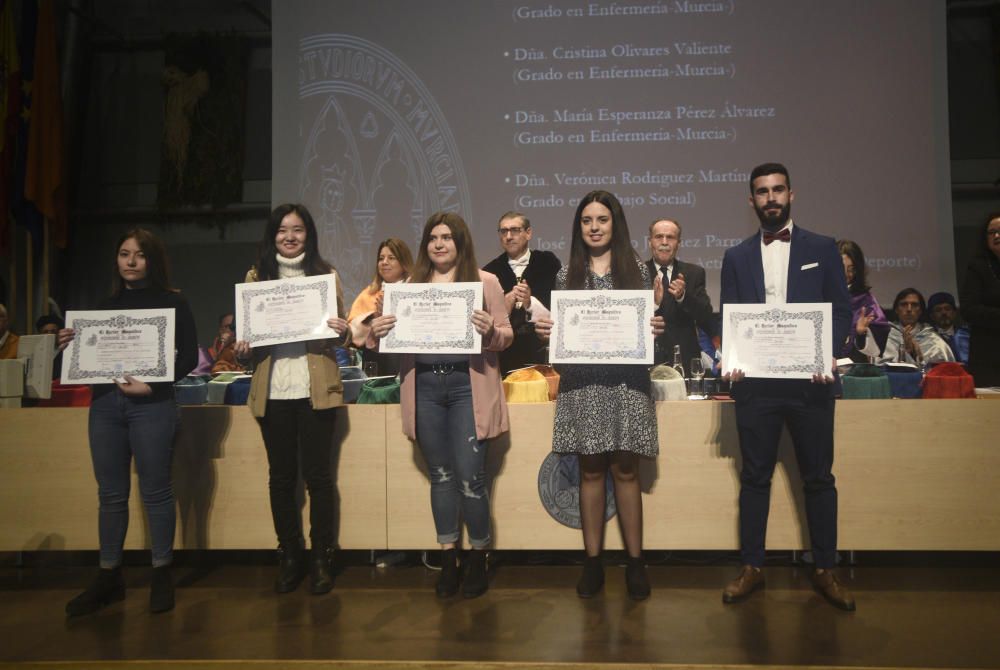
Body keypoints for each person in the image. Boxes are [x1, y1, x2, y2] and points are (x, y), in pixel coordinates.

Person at [719, 163, 856, 611]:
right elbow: (732, 318)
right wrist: (733, 359)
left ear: (791, 195)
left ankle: (826, 568)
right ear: (751, 200)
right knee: (754, 477)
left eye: (778, 190)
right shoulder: (736, 256)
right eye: (762, 192)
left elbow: (840, 310)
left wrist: (827, 354)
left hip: (811, 386)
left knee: (819, 478)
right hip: (756, 387)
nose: (770, 198)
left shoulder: (822, 247)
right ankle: (752, 567)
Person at [370, 212, 512, 599]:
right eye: (433, 237)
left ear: (460, 242)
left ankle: (480, 556)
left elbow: (506, 335)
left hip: (468, 386)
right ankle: (449, 557)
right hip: (426, 387)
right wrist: (377, 330)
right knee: (441, 476)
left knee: (471, 478)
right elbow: (378, 337)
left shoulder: (486, 282)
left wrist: (490, 331)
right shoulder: (409, 286)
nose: (439, 244)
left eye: (447, 237)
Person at [534, 190, 665, 601]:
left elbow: (646, 334)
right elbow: (562, 336)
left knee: (626, 471)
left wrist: (654, 331)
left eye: (602, 219)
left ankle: (635, 563)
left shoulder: (639, 272)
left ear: (615, 224)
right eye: (587, 220)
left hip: (627, 384)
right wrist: (548, 335)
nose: (594, 227)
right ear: (579, 227)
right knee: (590, 471)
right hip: (583, 383)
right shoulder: (564, 276)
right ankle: (593, 563)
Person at [60, 228, 198, 616]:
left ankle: (161, 573)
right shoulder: (102, 307)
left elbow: (188, 356)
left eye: (139, 255)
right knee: (110, 494)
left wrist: (153, 385)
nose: (131, 261)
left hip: (152, 405)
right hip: (104, 405)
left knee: (155, 491)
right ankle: (109, 576)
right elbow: (86, 362)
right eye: (124, 254)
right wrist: (69, 347)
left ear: (152, 260)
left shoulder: (173, 302)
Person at [233, 204, 351, 596]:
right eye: (283, 230)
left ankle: (321, 557)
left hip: (316, 390)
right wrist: (243, 348)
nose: (290, 237)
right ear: (273, 235)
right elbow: (244, 351)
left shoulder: (325, 276)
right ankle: (290, 554)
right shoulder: (256, 278)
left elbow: (342, 334)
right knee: (281, 478)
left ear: (308, 235)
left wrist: (342, 329)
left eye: (298, 230)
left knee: (318, 478)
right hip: (274, 391)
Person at [482, 211, 561, 374]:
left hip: (540, 352)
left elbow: (560, 310)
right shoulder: (490, 272)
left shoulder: (547, 263)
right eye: (504, 231)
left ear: (528, 233)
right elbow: (487, 322)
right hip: (504, 356)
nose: (509, 236)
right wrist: (505, 304)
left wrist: (530, 302)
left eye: (515, 230)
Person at [645, 217, 715, 369]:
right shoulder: (636, 272)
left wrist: (683, 297)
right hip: (647, 359)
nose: (664, 242)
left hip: (684, 360)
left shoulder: (694, 273)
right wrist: (653, 305)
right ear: (650, 242)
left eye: (670, 237)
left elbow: (706, 316)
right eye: (658, 237)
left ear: (678, 243)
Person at [348, 238, 413, 377]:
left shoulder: (415, 291)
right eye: (381, 258)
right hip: (376, 363)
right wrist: (374, 318)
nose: (384, 262)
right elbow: (353, 333)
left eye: (391, 258)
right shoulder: (368, 294)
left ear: (403, 262)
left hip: (409, 362)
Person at [959, 213, 1000, 386]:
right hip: (988, 351)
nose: (997, 236)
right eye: (992, 232)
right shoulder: (978, 267)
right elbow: (969, 310)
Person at [837, 240, 890, 362]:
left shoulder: (866, 300)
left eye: (851, 269)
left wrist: (861, 334)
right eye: (841, 268)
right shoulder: (820, 295)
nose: (846, 274)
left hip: (854, 369)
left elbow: (880, 335)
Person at [879, 288, 954, 366]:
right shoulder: (886, 336)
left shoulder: (933, 339)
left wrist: (915, 355)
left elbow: (944, 370)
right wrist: (905, 353)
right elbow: (880, 368)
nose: (909, 309)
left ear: (920, 311)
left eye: (914, 305)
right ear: (896, 309)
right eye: (904, 304)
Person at [926, 292, 970, 365]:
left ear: (954, 312)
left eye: (947, 309)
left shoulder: (966, 334)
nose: (944, 313)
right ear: (932, 315)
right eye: (938, 310)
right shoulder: (927, 337)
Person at [36, 314, 65, 379]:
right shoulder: (36, 353)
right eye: (45, 332)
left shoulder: (66, 352)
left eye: (53, 331)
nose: (49, 334)